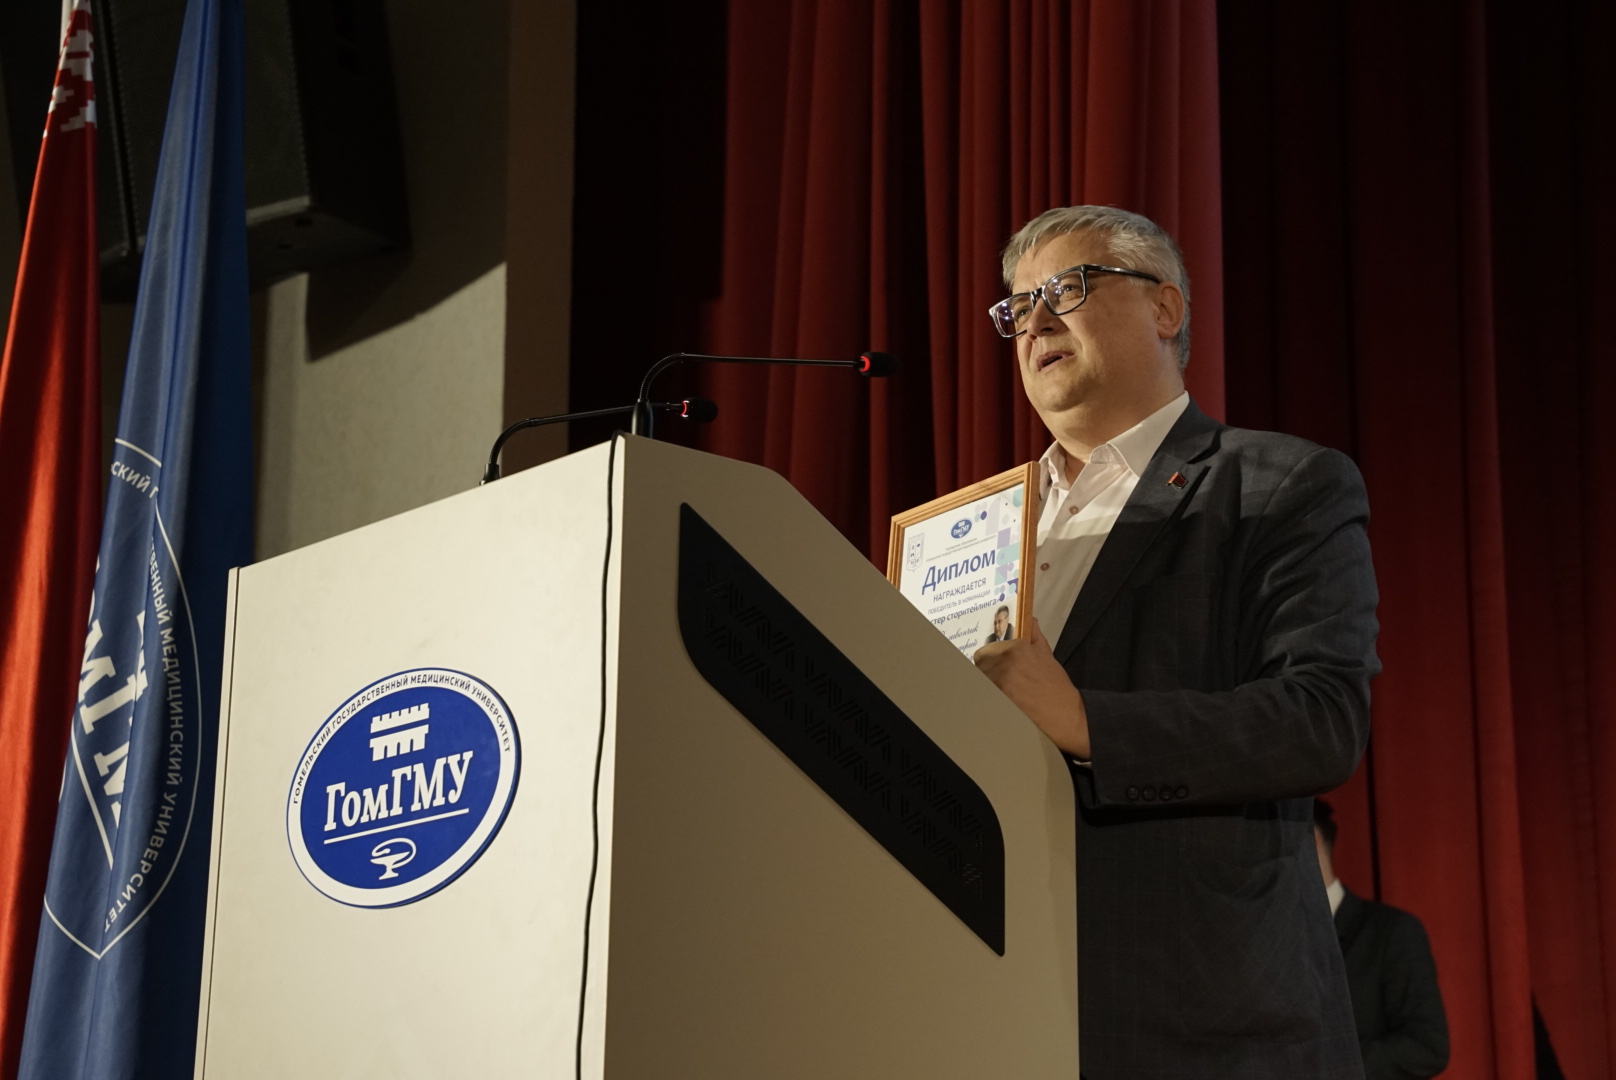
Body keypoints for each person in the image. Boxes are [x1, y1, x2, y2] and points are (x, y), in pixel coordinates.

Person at [973, 205, 1379, 1079]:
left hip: (1197, 1018)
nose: (1035, 321)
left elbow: (1321, 719)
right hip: (995, 999)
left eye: (1066, 289)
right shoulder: (981, 529)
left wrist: (1087, 723)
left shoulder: (1277, 485)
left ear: (1165, 309)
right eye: (1018, 307)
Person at [1314, 800, 1449, 1079]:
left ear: (1310, 843)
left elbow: (1427, 1046)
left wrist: (1323, 1066)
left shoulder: (1391, 931)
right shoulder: (1266, 937)